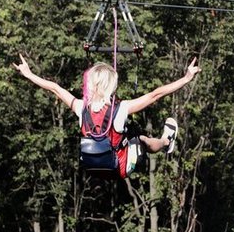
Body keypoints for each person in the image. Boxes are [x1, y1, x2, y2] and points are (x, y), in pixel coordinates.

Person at [13, 55, 201, 179]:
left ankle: (160, 142)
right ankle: (166, 142)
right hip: (119, 168)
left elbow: (55, 88)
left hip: (93, 169)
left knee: (126, 136)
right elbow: (155, 95)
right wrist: (185, 78)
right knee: (140, 139)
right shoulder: (122, 108)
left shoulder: (81, 108)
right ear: (111, 86)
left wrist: (29, 74)